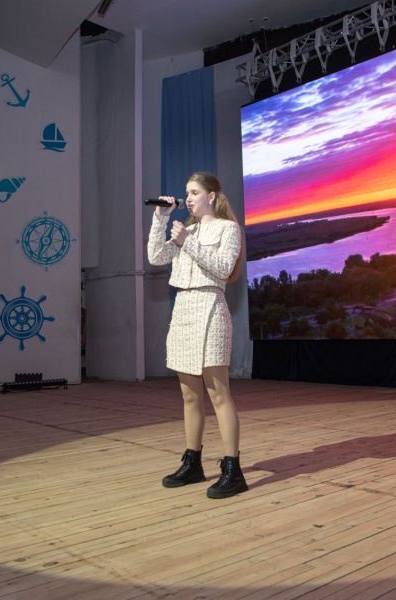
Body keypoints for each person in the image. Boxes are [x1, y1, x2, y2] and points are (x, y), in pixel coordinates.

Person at [147, 172, 248, 499]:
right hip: (183, 310)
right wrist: (160, 219)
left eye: (194, 192)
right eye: (187, 193)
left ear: (212, 196)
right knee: (189, 395)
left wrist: (186, 242)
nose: (188, 199)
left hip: (210, 306)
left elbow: (223, 268)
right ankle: (193, 463)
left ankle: (233, 470)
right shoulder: (186, 229)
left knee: (218, 393)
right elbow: (155, 257)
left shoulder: (228, 229)